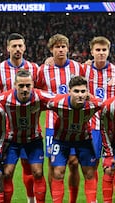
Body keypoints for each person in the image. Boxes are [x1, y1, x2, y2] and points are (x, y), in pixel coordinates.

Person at [0, 33, 40, 203]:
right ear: (8, 48)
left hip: (31, 128)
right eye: (14, 46)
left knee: (30, 168)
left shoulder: (34, 68)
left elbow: (41, 93)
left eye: (20, 46)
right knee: (6, 171)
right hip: (7, 130)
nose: (17, 49)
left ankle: (31, 199)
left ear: (24, 47)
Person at [36, 33, 85, 202]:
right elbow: (37, 92)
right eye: (57, 47)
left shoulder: (79, 68)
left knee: (74, 163)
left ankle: (72, 200)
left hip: (75, 124)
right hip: (52, 124)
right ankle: (56, 198)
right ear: (51, 50)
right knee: (53, 164)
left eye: (63, 46)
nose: (61, 49)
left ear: (68, 48)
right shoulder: (43, 70)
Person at [0, 69, 54, 203]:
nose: (25, 89)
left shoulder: (40, 96)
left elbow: (61, 100)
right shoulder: (4, 99)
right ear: (15, 85)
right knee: (7, 173)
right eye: (21, 86)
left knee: (38, 173)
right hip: (11, 141)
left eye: (28, 85)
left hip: (33, 140)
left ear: (33, 84)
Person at [83, 36, 115, 202]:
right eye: (97, 50)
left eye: (104, 50)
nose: (101, 53)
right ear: (92, 51)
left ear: (108, 51)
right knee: (92, 166)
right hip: (91, 126)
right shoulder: (83, 70)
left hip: (112, 126)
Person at [47, 76, 102, 203]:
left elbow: (107, 106)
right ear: (69, 91)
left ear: (87, 92)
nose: (80, 95)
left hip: (83, 140)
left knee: (89, 173)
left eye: (83, 91)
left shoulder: (94, 104)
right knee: (58, 172)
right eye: (76, 91)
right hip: (61, 140)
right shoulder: (57, 103)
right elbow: (42, 104)